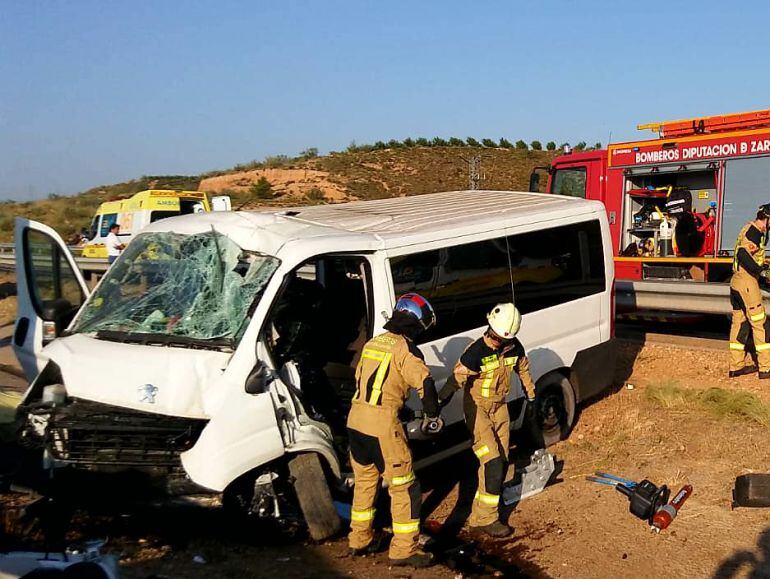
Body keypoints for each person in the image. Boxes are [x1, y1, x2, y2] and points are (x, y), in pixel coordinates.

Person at [347, 293, 442, 568]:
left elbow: (363, 379)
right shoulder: (407, 350)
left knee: (365, 482)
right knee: (405, 487)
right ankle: (404, 549)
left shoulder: (372, 343)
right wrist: (432, 416)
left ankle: (359, 539)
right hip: (382, 426)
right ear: (417, 322)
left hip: (356, 419)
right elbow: (426, 385)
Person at [438, 303, 536, 538]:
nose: (496, 341)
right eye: (495, 336)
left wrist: (531, 396)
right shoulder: (476, 352)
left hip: (500, 408)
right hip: (477, 409)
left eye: (502, 339)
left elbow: (523, 368)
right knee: (492, 461)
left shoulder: (514, 347)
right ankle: (487, 519)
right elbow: (455, 380)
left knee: (501, 461)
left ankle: (481, 514)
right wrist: (437, 405)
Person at [729, 204, 770, 379]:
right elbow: (743, 254)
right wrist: (761, 271)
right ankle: (766, 368)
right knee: (760, 324)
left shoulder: (748, 229)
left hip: (737, 282)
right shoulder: (754, 232)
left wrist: (761, 268)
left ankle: (736, 366)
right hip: (746, 282)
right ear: (767, 219)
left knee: (739, 324)